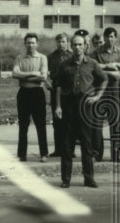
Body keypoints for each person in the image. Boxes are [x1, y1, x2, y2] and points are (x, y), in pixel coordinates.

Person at [53, 33, 107, 187]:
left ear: (85, 46)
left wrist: (97, 96)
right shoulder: (64, 65)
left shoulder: (92, 63)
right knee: (67, 145)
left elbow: (104, 79)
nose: (77, 47)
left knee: (87, 144)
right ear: (71, 46)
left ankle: (89, 178)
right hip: (68, 105)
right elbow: (58, 86)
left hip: (85, 107)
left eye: (80, 44)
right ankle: (66, 179)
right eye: (75, 44)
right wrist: (58, 106)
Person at [93, 27, 120, 164]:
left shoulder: (119, 52)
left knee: (116, 123)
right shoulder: (97, 52)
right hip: (100, 90)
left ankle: (117, 154)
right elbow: (95, 68)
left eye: (112, 36)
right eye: (108, 36)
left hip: (114, 91)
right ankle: (96, 154)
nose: (110, 39)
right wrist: (111, 70)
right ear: (104, 37)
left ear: (115, 38)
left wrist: (114, 65)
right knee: (97, 124)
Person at [12, 32, 50, 161]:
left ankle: (44, 153)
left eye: (33, 42)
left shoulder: (42, 58)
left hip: (37, 93)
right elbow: (15, 74)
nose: (31, 45)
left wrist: (24, 75)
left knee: (40, 125)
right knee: (23, 125)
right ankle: (21, 155)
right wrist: (34, 73)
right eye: (28, 42)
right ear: (25, 43)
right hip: (23, 93)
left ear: (37, 44)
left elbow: (43, 77)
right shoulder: (19, 58)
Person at [46, 33, 71, 158]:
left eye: (63, 41)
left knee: (69, 121)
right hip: (55, 89)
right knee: (57, 121)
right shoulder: (51, 57)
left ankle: (69, 150)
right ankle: (58, 149)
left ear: (68, 42)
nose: (61, 44)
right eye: (59, 41)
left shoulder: (72, 56)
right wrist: (47, 83)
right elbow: (45, 73)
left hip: (69, 90)